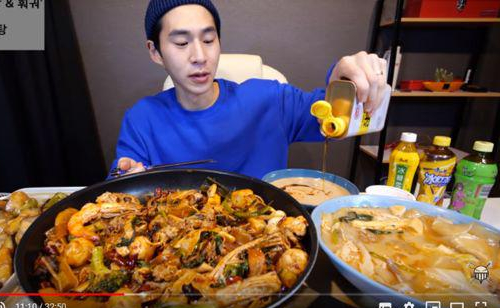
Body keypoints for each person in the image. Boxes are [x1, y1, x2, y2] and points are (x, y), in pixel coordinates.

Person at [111, 0, 388, 178]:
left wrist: (345, 81)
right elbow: (122, 186)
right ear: (155, 52)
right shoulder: (142, 119)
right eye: (182, 43)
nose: (199, 56)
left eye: (208, 40)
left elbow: (335, 116)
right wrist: (128, 176)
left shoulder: (270, 100)